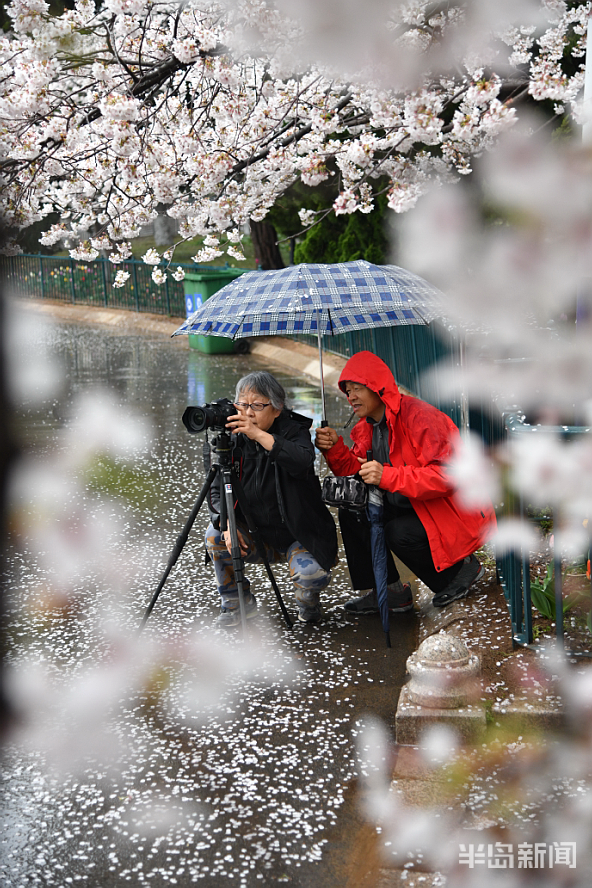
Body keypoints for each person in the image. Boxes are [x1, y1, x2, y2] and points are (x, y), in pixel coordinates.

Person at [315, 351, 496, 613]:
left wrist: (387, 476)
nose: (350, 396)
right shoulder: (368, 426)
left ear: (378, 387)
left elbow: (447, 476)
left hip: (446, 511)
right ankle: (388, 591)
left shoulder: (420, 417)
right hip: (408, 505)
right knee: (353, 512)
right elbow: (358, 475)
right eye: (347, 391)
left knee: (398, 533)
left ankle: (460, 572)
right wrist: (334, 450)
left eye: (357, 389)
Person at [205, 370, 338, 628]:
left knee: (310, 575)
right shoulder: (229, 439)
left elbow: (301, 461)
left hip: (297, 535)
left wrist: (257, 435)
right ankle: (235, 604)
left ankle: (308, 603)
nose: (248, 412)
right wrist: (227, 525)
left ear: (277, 409)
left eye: (257, 405)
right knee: (215, 535)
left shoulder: (294, 432)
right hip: (254, 537)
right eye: (242, 405)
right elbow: (214, 490)